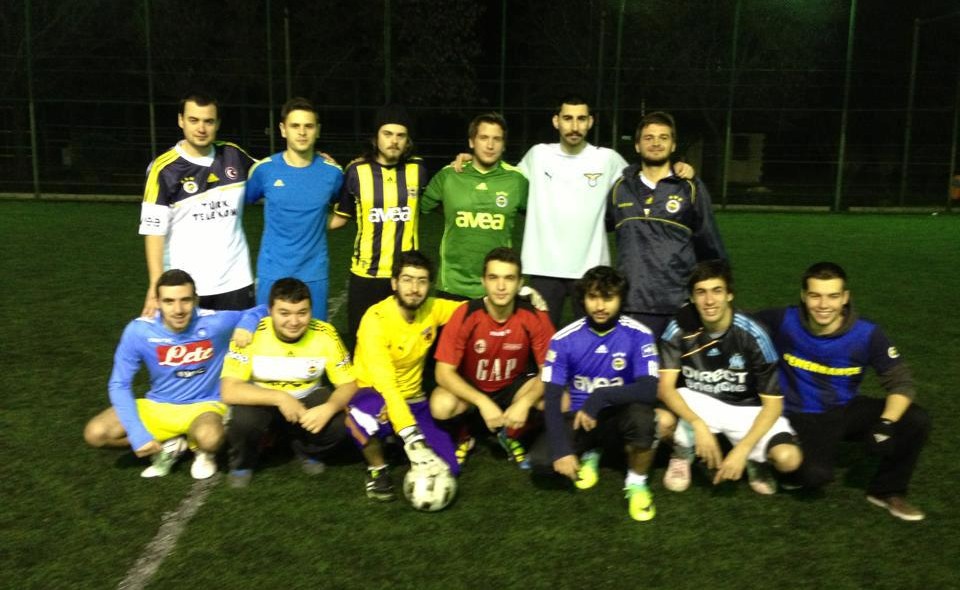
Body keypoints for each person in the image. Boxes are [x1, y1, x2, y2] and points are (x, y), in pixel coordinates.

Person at [755, 262, 930, 521]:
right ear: (803, 296)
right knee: (813, 477)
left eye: (833, 296)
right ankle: (776, 462)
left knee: (916, 419)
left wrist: (885, 423)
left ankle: (886, 491)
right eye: (815, 295)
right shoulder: (783, 320)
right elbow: (735, 323)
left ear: (845, 297)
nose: (823, 305)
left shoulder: (867, 333)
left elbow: (901, 382)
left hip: (845, 409)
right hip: (798, 414)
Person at [657, 260, 802, 496]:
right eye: (701, 292)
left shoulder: (754, 333)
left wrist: (743, 450)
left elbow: (773, 404)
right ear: (692, 298)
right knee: (661, 421)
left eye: (717, 291)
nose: (709, 300)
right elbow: (665, 388)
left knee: (788, 459)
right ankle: (682, 452)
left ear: (729, 294)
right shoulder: (679, 327)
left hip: (746, 409)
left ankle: (755, 459)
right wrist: (698, 424)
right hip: (699, 402)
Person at [528, 266, 661, 522]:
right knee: (542, 462)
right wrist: (561, 450)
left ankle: (636, 482)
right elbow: (552, 397)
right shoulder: (564, 339)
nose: (600, 306)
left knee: (643, 419)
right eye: (593, 297)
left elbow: (648, 390)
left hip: (617, 418)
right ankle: (592, 451)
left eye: (608, 297)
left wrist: (600, 397)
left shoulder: (639, 335)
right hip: (581, 420)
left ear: (621, 299)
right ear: (583, 299)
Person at [84, 269, 241, 479]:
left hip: (205, 406)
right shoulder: (139, 331)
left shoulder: (216, 322)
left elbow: (260, 311)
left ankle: (202, 451)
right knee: (95, 434)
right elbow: (119, 384)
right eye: (169, 301)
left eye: (185, 300)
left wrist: (247, 326)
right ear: (157, 302)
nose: (178, 310)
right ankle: (169, 443)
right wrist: (137, 434)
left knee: (210, 438)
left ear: (196, 300)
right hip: (158, 405)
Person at [345, 250, 464, 501]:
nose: (414, 289)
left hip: (414, 399)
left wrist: (519, 297)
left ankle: (396, 440)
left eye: (422, 281)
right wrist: (412, 436)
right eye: (407, 280)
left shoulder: (432, 308)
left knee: (448, 469)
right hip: (374, 394)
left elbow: (472, 310)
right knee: (363, 420)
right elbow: (386, 385)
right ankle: (378, 469)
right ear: (394, 283)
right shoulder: (375, 321)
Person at [220, 278, 357, 488]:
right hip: (264, 400)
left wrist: (329, 408)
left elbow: (349, 384)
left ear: (311, 311)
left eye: (302, 313)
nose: (294, 322)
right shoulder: (250, 334)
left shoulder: (325, 334)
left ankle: (306, 450)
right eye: (284, 313)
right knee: (243, 421)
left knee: (341, 422)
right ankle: (243, 463)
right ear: (270, 311)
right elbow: (229, 390)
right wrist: (280, 398)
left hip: (306, 400)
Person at [430, 247, 555, 469]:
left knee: (559, 401)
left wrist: (525, 403)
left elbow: (551, 369)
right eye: (493, 278)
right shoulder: (466, 313)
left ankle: (511, 434)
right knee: (441, 404)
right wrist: (483, 402)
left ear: (519, 283)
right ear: (483, 282)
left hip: (514, 386)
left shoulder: (534, 316)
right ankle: (464, 437)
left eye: (509, 278)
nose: (501, 286)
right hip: (473, 386)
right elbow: (443, 372)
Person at [606, 111, 726, 338]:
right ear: (637, 145)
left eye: (663, 137)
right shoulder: (620, 188)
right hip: (631, 303)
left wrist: (719, 288)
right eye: (648, 138)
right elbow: (597, 228)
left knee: (679, 362)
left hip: (679, 303)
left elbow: (709, 243)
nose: (656, 143)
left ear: (673, 145)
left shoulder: (690, 187)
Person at [139, 93, 256, 316]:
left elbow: (271, 171)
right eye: (194, 120)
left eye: (208, 121)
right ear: (181, 120)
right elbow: (154, 231)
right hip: (185, 287)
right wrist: (155, 283)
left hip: (236, 281)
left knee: (239, 339)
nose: (201, 128)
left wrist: (311, 158)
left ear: (217, 124)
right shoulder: (163, 168)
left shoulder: (232, 155)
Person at [329, 104, 428, 340]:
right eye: (388, 134)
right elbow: (340, 218)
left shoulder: (418, 169)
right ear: (375, 137)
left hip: (407, 276)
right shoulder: (356, 171)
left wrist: (464, 159)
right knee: (362, 342)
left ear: (407, 141)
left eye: (400, 135)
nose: (394, 141)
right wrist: (300, 221)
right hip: (366, 276)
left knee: (405, 344)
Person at [245, 97, 344, 317]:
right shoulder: (264, 170)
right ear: (283, 129)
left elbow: (344, 213)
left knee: (316, 334)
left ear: (317, 130)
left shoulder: (333, 173)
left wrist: (315, 223)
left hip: (313, 272)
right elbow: (243, 202)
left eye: (308, 126)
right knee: (267, 332)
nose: (302, 132)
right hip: (272, 271)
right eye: (295, 126)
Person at [420, 113, 528, 299]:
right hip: (451, 284)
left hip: (497, 287)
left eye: (497, 139)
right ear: (472, 141)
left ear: (504, 145)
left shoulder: (516, 180)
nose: (490, 145)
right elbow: (419, 207)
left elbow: (539, 215)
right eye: (483, 138)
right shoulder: (449, 175)